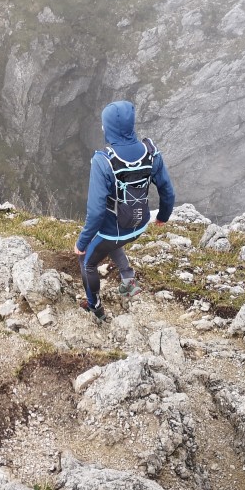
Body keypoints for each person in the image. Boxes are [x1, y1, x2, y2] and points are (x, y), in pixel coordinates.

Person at [74, 100, 175, 323]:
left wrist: (82, 243)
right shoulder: (151, 152)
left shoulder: (103, 160)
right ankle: (128, 281)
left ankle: (95, 308)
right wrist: (163, 216)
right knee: (111, 240)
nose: (102, 127)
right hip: (139, 224)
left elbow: (96, 212)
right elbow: (167, 190)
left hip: (114, 229)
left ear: (108, 127)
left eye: (104, 124)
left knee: (87, 261)